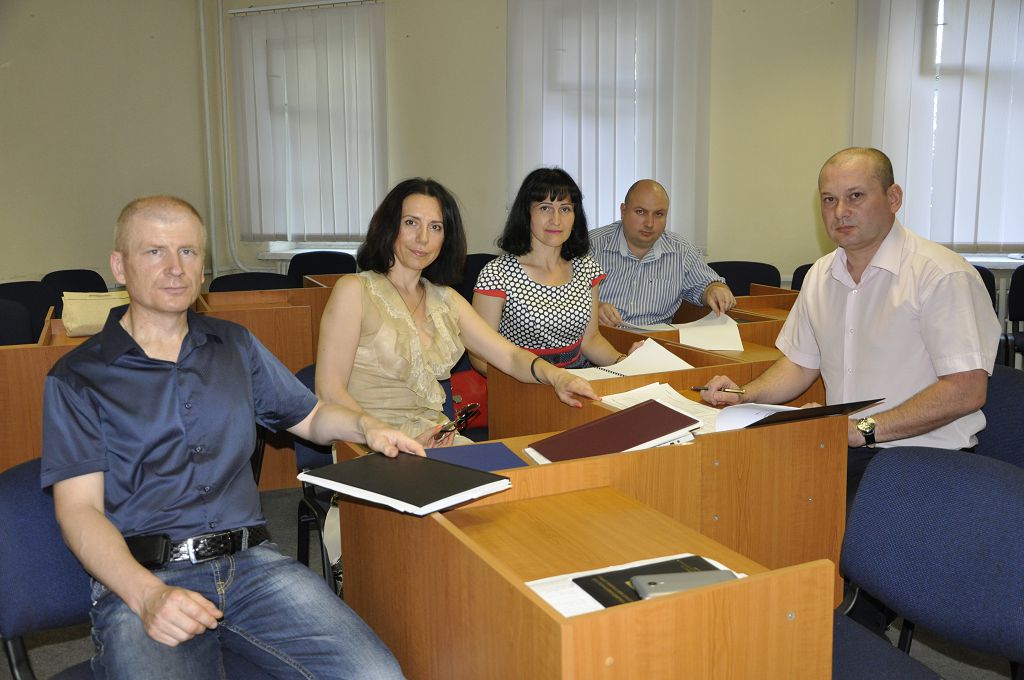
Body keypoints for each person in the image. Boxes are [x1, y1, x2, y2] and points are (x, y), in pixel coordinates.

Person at [40, 195, 419, 680]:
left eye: (188, 252)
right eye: (155, 252)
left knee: (376, 675)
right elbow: (78, 511)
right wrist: (147, 595)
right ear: (120, 266)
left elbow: (309, 417)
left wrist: (365, 425)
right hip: (148, 577)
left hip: (253, 566)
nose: (175, 268)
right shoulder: (78, 376)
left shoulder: (234, 345)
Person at [701, 147, 1000, 496]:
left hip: (925, 458)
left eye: (855, 196)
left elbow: (966, 390)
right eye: (829, 200)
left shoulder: (941, 274)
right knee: (736, 486)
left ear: (893, 198)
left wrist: (862, 429)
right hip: (846, 449)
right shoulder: (820, 274)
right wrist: (743, 396)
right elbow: (801, 363)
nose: (840, 212)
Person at [316, 177, 599, 447]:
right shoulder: (354, 290)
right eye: (411, 223)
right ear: (389, 227)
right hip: (365, 443)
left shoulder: (446, 299)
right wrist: (386, 438)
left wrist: (557, 377)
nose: (423, 238)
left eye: (436, 227)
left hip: (435, 440)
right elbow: (329, 391)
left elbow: (510, 356)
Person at [471, 167, 627, 372]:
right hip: (519, 380)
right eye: (545, 208)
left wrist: (624, 362)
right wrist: (540, 378)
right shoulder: (497, 274)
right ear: (526, 213)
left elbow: (590, 340)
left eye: (565, 209)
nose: (556, 220)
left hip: (577, 378)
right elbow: (479, 356)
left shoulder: (586, 267)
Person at [590, 179, 736, 327]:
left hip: (655, 339)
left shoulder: (681, 251)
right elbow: (573, 297)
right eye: (640, 212)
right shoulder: (590, 246)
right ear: (623, 211)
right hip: (601, 336)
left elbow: (709, 284)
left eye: (658, 214)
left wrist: (715, 290)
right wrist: (595, 307)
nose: (649, 223)